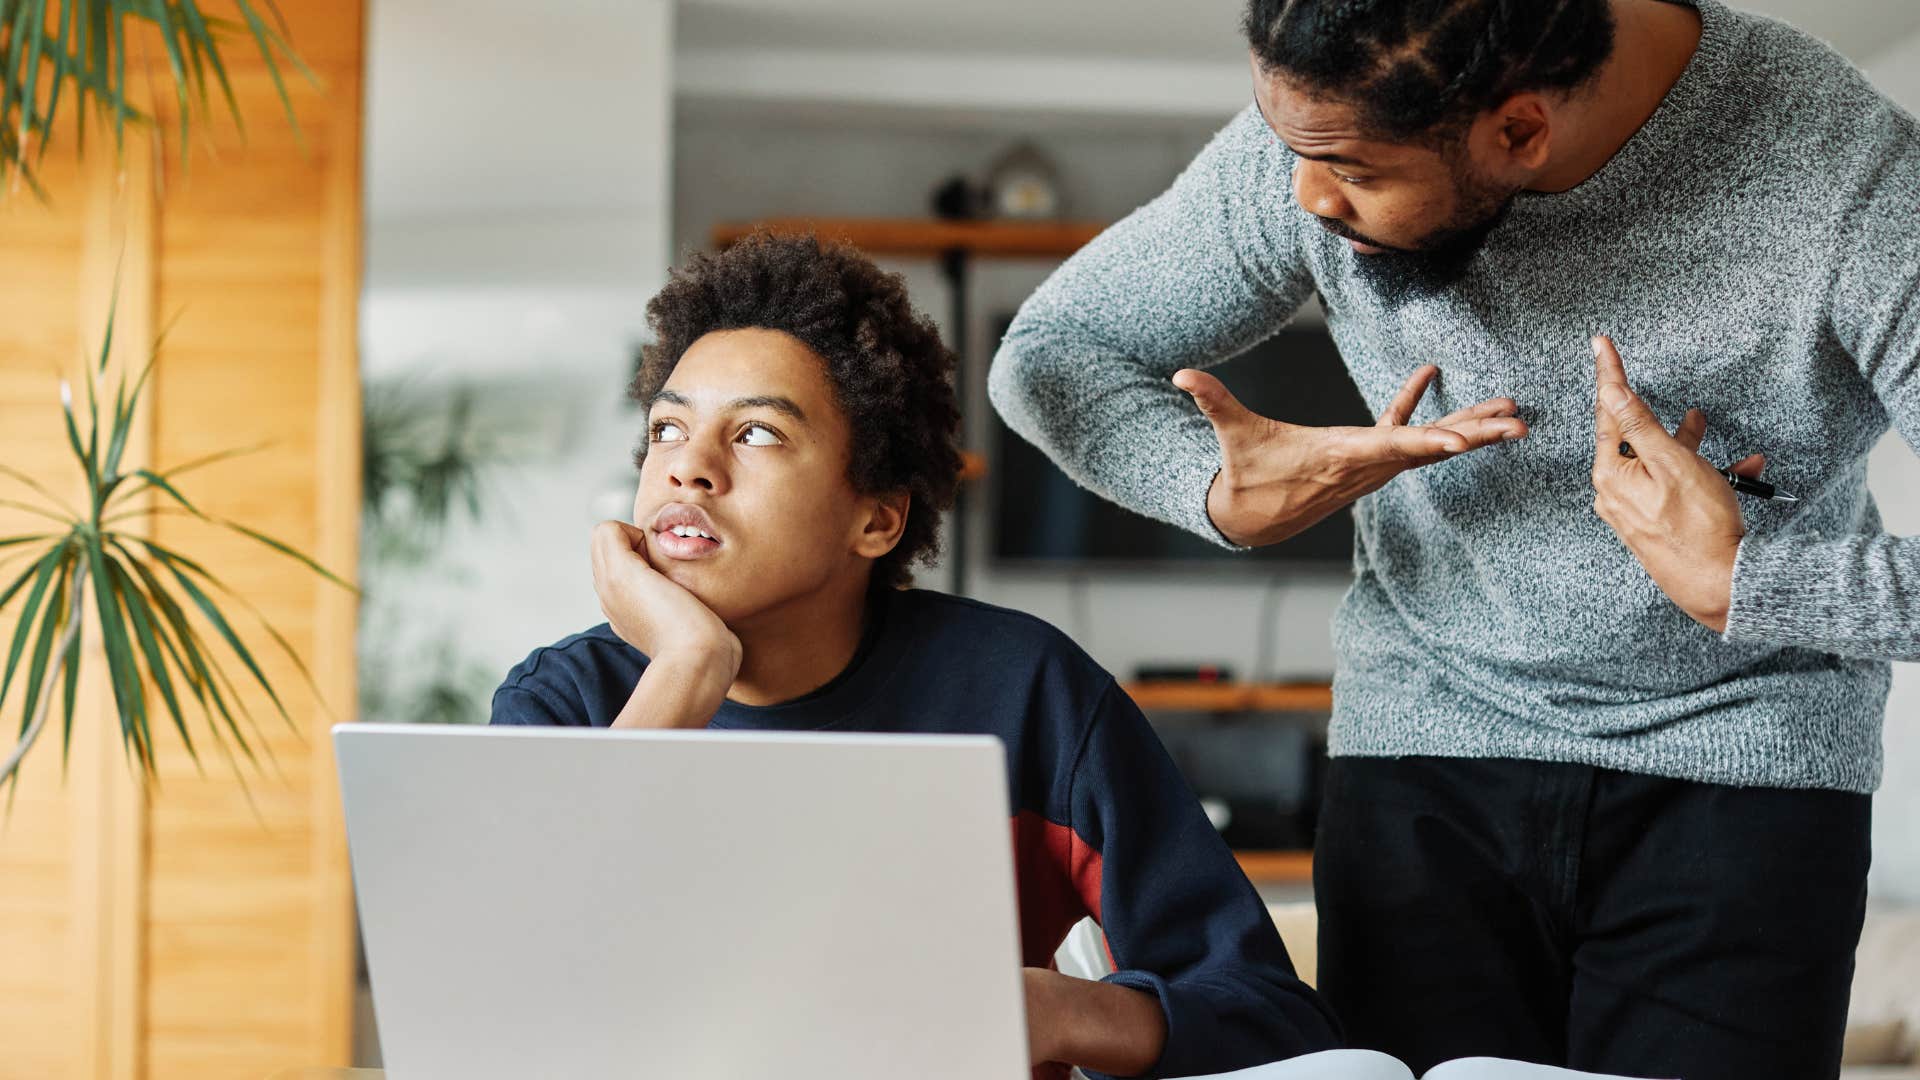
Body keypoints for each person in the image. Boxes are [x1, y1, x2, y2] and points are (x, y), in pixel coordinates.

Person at [988, 2, 1919, 1078]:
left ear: (1519, 131)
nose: (1304, 196)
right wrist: (1206, 487)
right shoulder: (1328, 125)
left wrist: (1755, 580)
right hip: (1422, 758)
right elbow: (1053, 354)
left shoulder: (1857, 186)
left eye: (1347, 171)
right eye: (1287, 146)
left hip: (1750, 772)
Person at [489, 233, 1341, 1080]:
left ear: (877, 520)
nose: (690, 470)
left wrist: (1057, 1011)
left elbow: (1271, 1022)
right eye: (667, 428)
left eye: (755, 434)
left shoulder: (1022, 691)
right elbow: (508, 1005)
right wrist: (684, 669)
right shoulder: (566, 702)